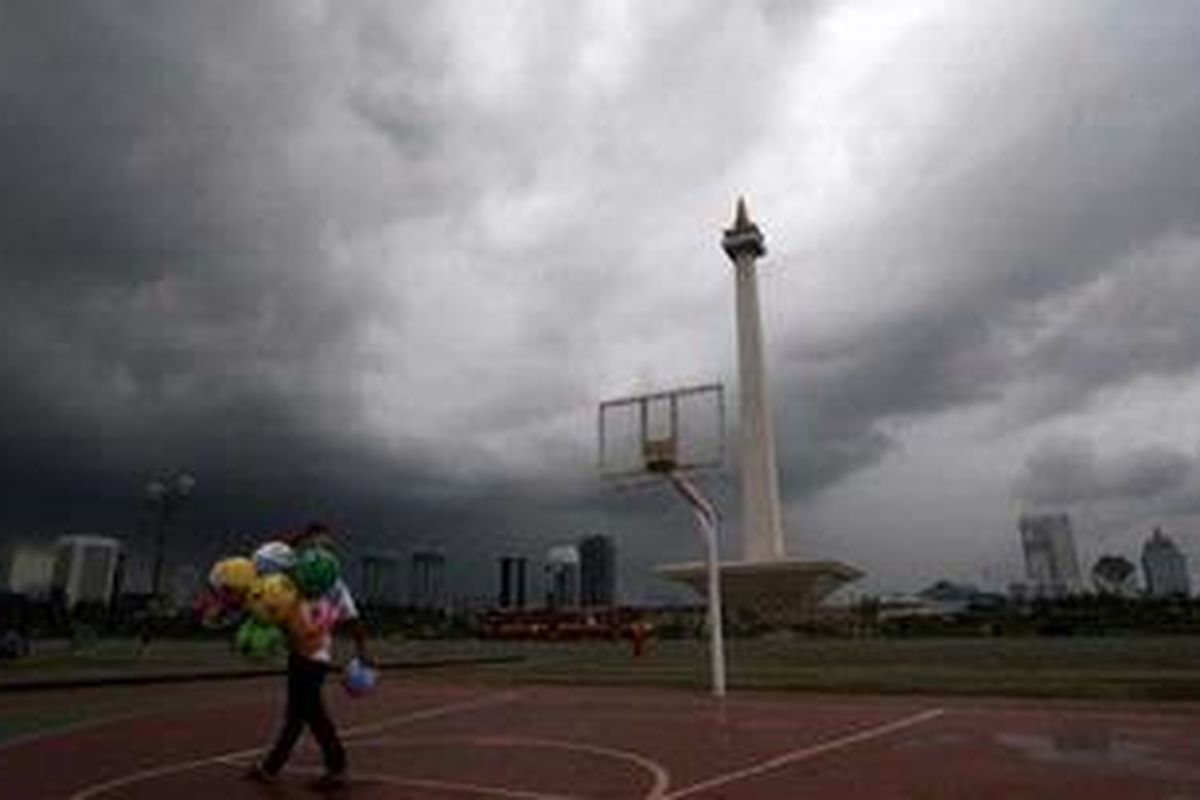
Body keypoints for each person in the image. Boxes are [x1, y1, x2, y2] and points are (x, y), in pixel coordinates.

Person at [246, 522, 371, 790]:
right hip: (297, 652)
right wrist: (296, 541)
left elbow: (353, 620)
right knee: (296, 716)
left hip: (316, 657)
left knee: (312, 713)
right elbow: (278, 567)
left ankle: (337, 767)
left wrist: (363, 652)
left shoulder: (335, 584)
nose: (318, 550)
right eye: (313, 545)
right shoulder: (295, 577)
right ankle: (271, 768)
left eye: (325, 546)